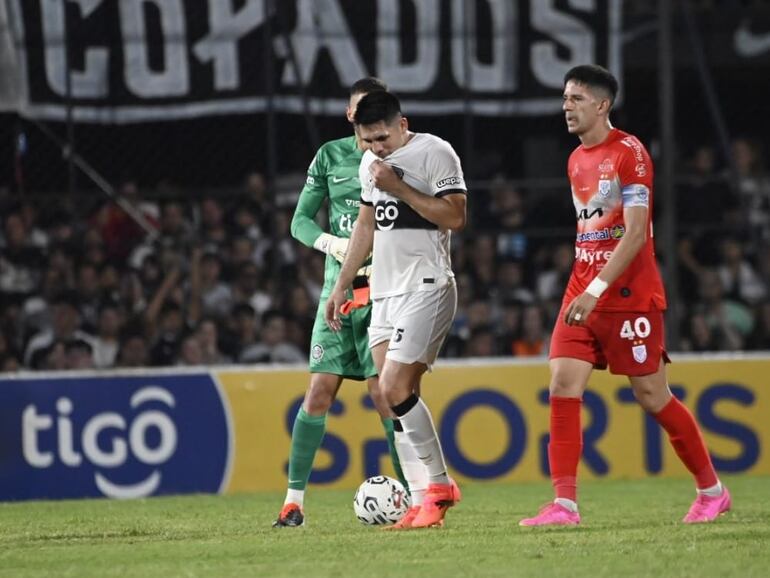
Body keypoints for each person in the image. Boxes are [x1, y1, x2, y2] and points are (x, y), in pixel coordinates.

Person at [519, 65, 730, 527]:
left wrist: (596, 289)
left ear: (602, 105)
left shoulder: (629, 154)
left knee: (653, 396)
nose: (566, 106)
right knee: (561, 386)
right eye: (564, 98)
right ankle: (564, 506)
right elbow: (592, 232)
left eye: (575, 98)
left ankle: (712, 491)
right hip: (584, 290)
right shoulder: (575, 159)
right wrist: (586, 287)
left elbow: (635, 235)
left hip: (628, 296)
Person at [325, 90, 466, 529]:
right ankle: (423, 503)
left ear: (402, 124)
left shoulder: (435, 152)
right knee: (389, 397)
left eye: (382, 137)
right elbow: (366, 225)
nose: (375, 148)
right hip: (385, 290)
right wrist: (341, 283)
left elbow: (456, 217)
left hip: (427, 283)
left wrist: (399, 187)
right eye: (368, 140)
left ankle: (440, 487)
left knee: (394, 386)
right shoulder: (371, 165)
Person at [272, 78, 407, 528]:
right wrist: (331, 243)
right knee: (317, 392)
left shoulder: (401, 153)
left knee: (385, 396)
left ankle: (414, 499)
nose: (363, 116)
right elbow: (299, 223)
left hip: (384, 292)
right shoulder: (330, 156)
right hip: (339, 295)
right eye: (357, 109)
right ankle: (293, 503)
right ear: (350, 113)